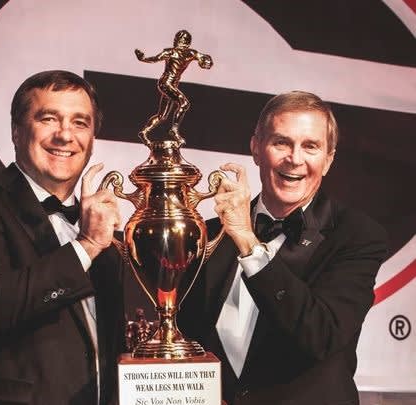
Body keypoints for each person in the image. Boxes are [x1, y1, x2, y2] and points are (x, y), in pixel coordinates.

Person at [0, 70, 125, 405]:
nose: (65, 135)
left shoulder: (103, 237)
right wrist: (85, 246)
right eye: (49, 118)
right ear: (17, 131)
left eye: (80, 123)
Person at [179, 91, 388, 404]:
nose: (295, 158)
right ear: (256, 149)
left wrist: (248, 243)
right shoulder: (206, 234)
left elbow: (322, 335)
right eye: (281, 142)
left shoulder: (357, 235)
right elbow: (186, 335)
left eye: (310, 146)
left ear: (328, 160)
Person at [135, 29, 213, 146]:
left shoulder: (190, 54)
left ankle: (144, 132)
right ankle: (174, 130)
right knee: (184, 103)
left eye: (183, 40)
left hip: (171, 85)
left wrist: (206, 61)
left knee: (162, 116)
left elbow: (204, 58)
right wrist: (143, 58)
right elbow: (154, 59)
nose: (181, 43)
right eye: (180, 40)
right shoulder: (171, 52)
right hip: (166, 83)